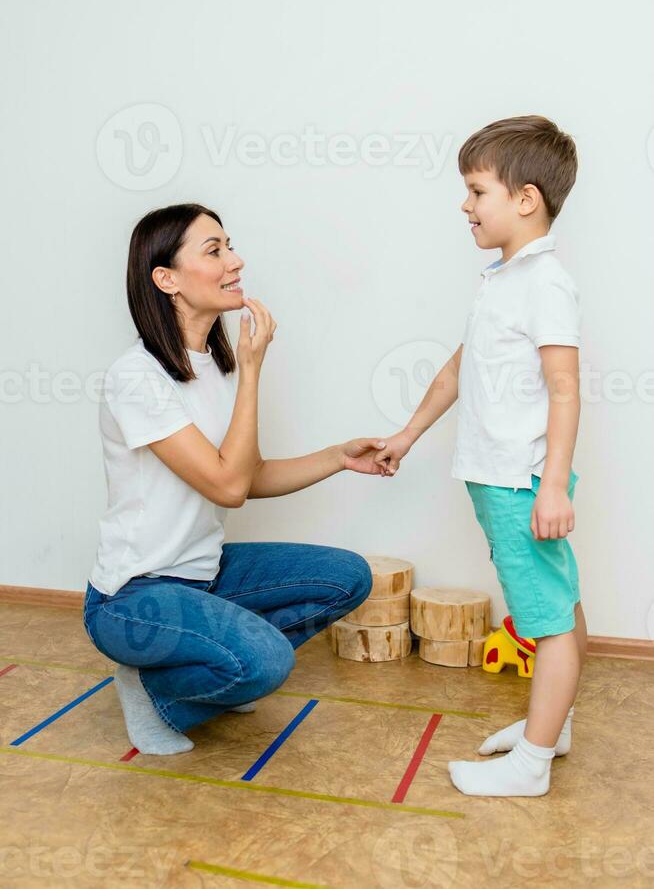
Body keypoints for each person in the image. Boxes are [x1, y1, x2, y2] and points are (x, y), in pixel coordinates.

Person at [83, 203, 390, 755]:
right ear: (166, 279)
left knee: (348, 577)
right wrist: (252, 371)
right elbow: (227, 488)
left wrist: (338, 456)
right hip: (132, 599)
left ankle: (215, 672)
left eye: (230, 246)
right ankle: (153, 689)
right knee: (268, 662)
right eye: (215, 250)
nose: (236, 261)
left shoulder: (214, 366)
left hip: (204, 572)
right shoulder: (137, 377)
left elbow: (247, 476)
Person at [374, 115, 585, 797]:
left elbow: (565, 388)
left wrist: (551, 486)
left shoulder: (544, 282)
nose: (465, 205)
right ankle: (554, 727)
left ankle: (532, 764)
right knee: (559, 602)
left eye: (476, 191)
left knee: (545, 622)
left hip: (521, 481)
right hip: (498, 480)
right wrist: (407, 434)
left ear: (525, 199)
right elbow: (459, 371)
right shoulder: (501, 280)